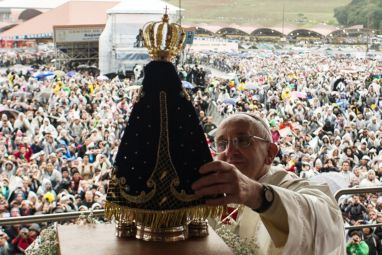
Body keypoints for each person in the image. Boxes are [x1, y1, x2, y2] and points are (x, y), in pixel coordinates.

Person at [192, 112, 345, 254]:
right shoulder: (214, 189)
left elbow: (326, 220)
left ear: (270, 153)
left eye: (243, 141)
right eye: (222, 143)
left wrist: (255, 195)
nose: (230, 151)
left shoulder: (289, 184)